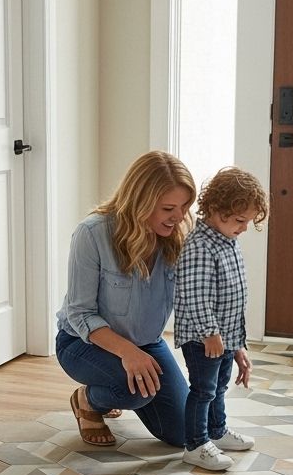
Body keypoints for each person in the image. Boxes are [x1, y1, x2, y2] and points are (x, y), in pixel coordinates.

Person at [57, 150, 195, 448]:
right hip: (83, 344)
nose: (180, 216)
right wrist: (127, 354)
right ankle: (89, 400)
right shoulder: (92, 234)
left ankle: (116, 384)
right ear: (139, 202)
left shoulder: (177, 236)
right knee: (137, 390)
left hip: (146, 343)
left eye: (185, 206)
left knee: (184, 433)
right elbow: (80, 314)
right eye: (168, 207)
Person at [172, 168, 268, 470]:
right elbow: (195, 294)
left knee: (219, 387)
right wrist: (210, 333)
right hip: (205, 338)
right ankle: (196, 444)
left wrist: (237, 344)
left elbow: (232, 296)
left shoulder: (226, 240)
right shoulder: (200, 246)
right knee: (203, 389)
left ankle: (217, 431)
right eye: (239, 221)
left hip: (224, 337)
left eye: (248, 222)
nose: (243, 228)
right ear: (215, 209)